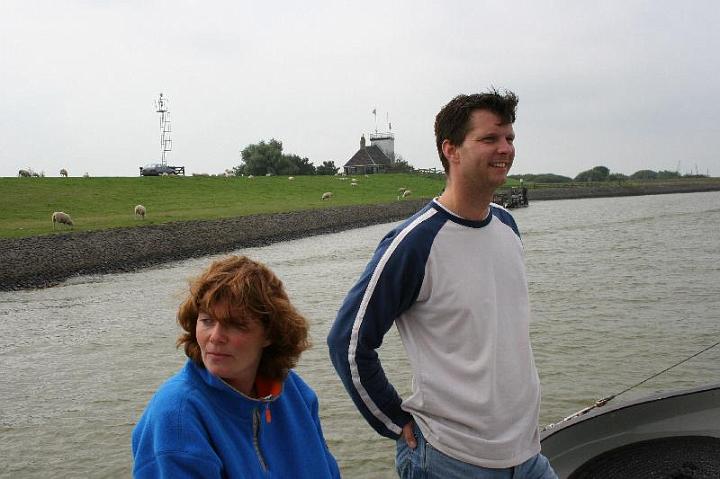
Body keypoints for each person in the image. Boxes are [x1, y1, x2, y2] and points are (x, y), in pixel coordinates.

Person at [327, 89, 557, 478]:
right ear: (451, 150)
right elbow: (347, 342)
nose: (505, 149)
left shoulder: (507, 224)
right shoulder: (414, 243)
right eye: (489, 138)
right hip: (449, 460)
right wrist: (393, 419)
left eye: (509, 138)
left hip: (525, 453)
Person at [132, 255, 340, 478]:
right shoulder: (177, 415)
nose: (215, 337)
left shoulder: (293, 392)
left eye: (235, 325)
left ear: (269, 334)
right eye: (207, 321)